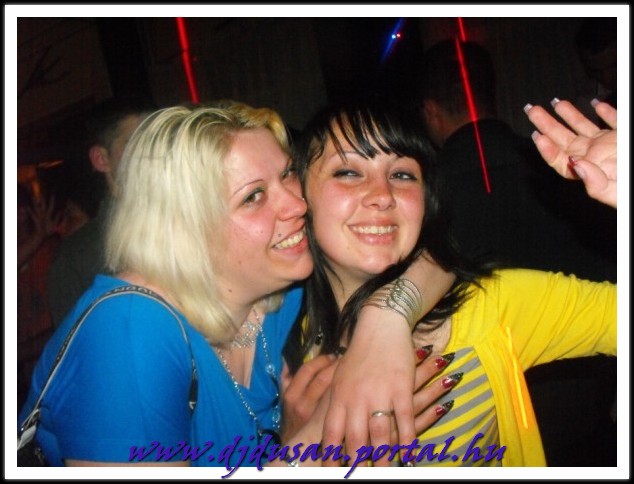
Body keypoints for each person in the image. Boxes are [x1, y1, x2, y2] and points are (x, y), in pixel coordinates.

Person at [18, 102, 452, 470]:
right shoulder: (129, 334)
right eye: (253, 196)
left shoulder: (276, 289)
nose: (297, 204)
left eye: (287, 174)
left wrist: (385, 320)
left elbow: (452, 243)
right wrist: (309, 445)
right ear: (186, 232)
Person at [286, 100, 616, 466]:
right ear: (299, 195)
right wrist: (294, 442)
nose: (382, 195)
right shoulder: (279, 335)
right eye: (348, 172)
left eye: (402, 175)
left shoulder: (489, 304)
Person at [416, 38, 616, 466]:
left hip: (490, 420)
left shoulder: (424, 195)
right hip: (591, 399)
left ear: (431, 111)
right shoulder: (566, 164)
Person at [46, 98, 152, 328]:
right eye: (136, 144)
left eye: (155, 140)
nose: (151, 153)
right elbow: (77, 343)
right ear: (101, 159)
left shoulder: (185, 219)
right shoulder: (77, 257)